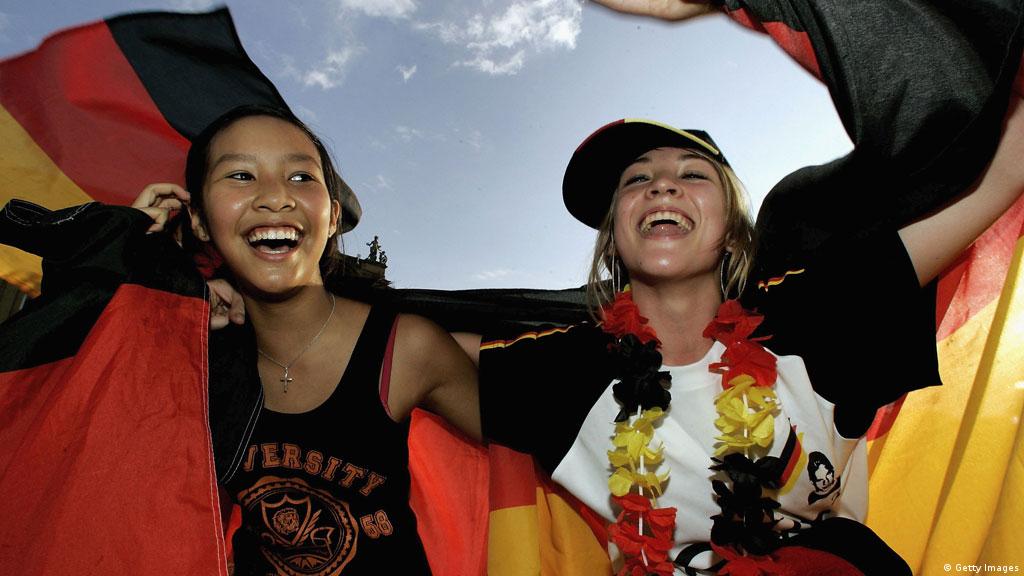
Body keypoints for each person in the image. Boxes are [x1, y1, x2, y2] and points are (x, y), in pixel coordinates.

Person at [455, 2, 1024, 574]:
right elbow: (415, 352)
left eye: (692, 173)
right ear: (613, 242)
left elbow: (1001, 172)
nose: (662, 187)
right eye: (637, 179)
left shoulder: (812, 313)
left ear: (732, 233)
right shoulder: (562, 368)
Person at [132, 104, 480, 575]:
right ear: (198, 219)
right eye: (240, 175)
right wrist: (123, 257)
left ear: (333, 216)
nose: (275, 197)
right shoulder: (195, 358)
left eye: (300, 177)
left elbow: (546, 441)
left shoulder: (407, 350)